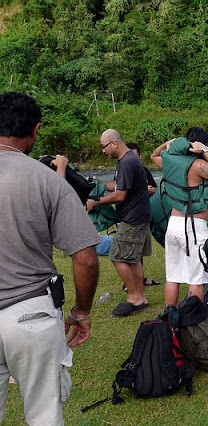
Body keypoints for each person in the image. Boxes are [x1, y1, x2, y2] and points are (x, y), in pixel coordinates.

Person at [0, 92, 100, 424]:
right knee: (44, 415)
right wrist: (82, 310)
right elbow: (85, 257)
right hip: (31, 313)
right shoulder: (47, 179)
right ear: (35, 130)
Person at [150, 127, 208, 307]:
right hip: (192, 227)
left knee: (173, 276)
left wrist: (167, 144)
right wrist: (205, 152)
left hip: (174, 224)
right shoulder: (197, 165)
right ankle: (194, 321)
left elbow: (154, 156)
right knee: (196, 278)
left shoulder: (170, 160)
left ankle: (170, 316)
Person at [86, 129, 152, 316]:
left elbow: (120, 194)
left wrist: (96, 201)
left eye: (104, 147)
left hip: (133, 218)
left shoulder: (127, 162)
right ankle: (140, 297)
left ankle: (135, 298)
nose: (103, 151)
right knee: (131, 258)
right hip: (137, 215)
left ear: (114, 143)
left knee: (117, 255)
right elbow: (121, 188)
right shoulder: (128, 160)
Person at [125, 142, 159, 288]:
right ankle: (128, 283)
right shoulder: (123, 170)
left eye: (135, 154)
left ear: (139, 156)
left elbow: (154, 188)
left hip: (144, 215)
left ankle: (140, 279)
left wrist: (150, 190)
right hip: (130, 216)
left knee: (141, 251)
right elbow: (121, 193)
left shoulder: (144, 170)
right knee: (129, 251)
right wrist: (143, 190)